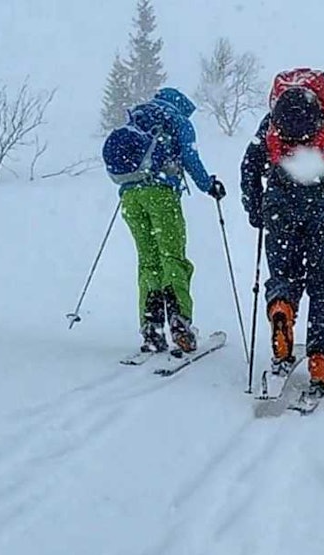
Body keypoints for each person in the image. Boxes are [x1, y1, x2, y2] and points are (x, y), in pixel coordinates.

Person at [240, 68, 324, 392]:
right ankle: (320, 357)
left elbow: (249, 166)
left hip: (279, 211)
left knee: (284, 274)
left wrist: (255, 207)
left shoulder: (271, 123)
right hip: (323, 211)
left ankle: (282, 307)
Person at [102, 87, 226, 355]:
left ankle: (151, 328)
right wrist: (209, 185)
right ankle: (180, 323)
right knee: (173, 258)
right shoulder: (177, 121)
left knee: (148, 261)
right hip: (160, 195)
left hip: (130, 196)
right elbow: (190, 158)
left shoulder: (138, 117)